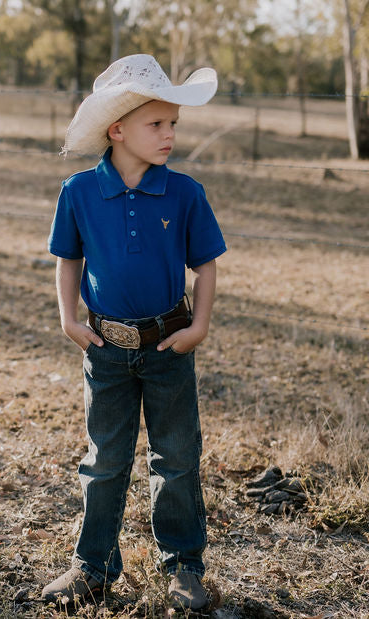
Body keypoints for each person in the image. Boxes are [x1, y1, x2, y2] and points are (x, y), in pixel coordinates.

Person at [41, 54, 226, 613]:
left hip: (170, 345)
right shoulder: (78, 192)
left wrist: (199, 325)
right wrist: (68, 318)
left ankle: (184, 567)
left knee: (175, 458)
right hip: (106, 349)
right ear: (116, 129)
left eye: (174, 124)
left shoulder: (185, 193)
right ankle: (93, 566)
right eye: (157, 124)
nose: (170, 135)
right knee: (104, 459)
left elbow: (207, 265)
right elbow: (67, 260)